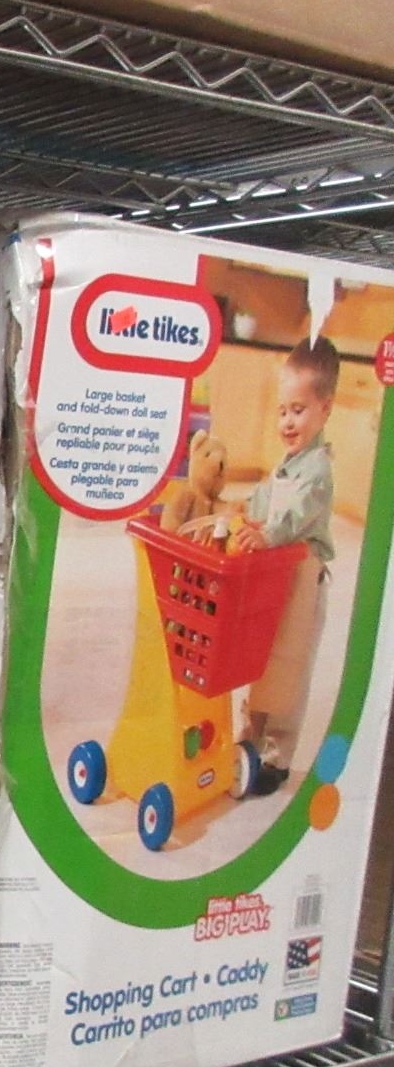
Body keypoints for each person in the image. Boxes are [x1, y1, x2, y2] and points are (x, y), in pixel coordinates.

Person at [231, 336, 339, 796]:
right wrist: (243, 513)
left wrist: (268, 534)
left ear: (324, 410)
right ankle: (250, 737)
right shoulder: (288, 462)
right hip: (276, 578)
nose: (287, 421)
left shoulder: (317, 470)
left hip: (304, 581)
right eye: (282, 411)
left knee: (289, 668)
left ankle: (276, 756)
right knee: (260, 656)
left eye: (298, 410)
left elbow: (296, 515)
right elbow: (266, 499)